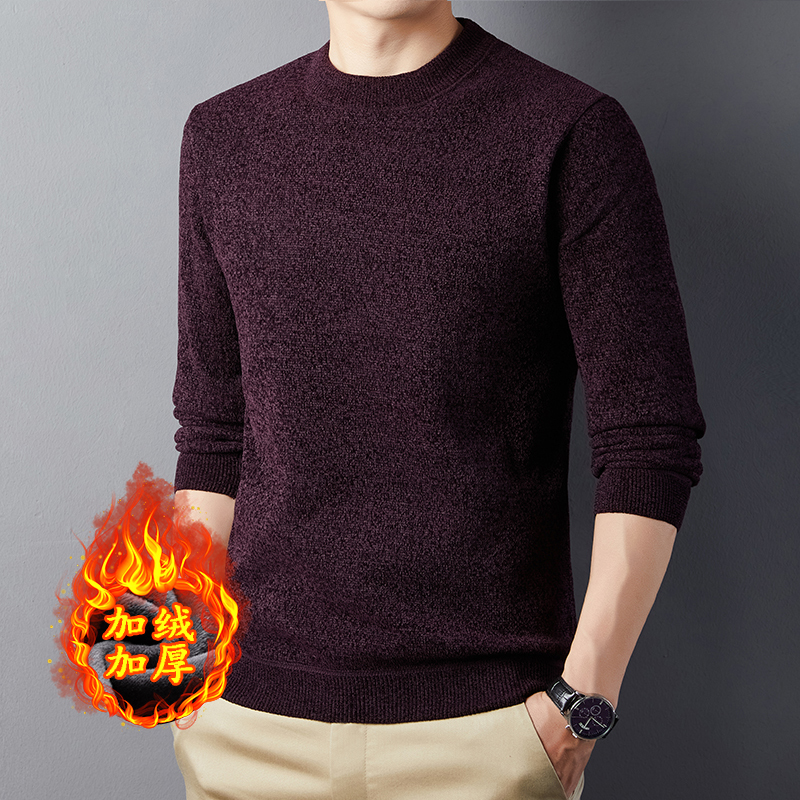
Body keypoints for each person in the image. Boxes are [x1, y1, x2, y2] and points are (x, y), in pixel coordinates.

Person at [169, 2, 707, 798]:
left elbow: (649, 440)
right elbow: (215, 435)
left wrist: (582, 700)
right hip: (245, 723)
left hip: (485, 734)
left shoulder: (571, 131)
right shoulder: (224, 137)